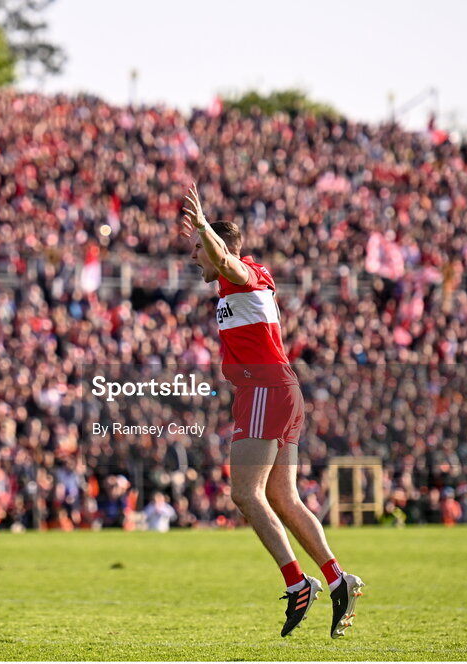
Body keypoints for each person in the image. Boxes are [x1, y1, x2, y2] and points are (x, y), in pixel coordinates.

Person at [179, 182, 364, 639]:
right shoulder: (235, 286)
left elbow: (223, 260)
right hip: (275, 390)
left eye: (197, 251)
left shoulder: (241, 273)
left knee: (245, 493)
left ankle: (298, 582)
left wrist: (204, 227)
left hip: (266, 389)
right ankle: (338, 577)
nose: (195, 260)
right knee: (283, 497)